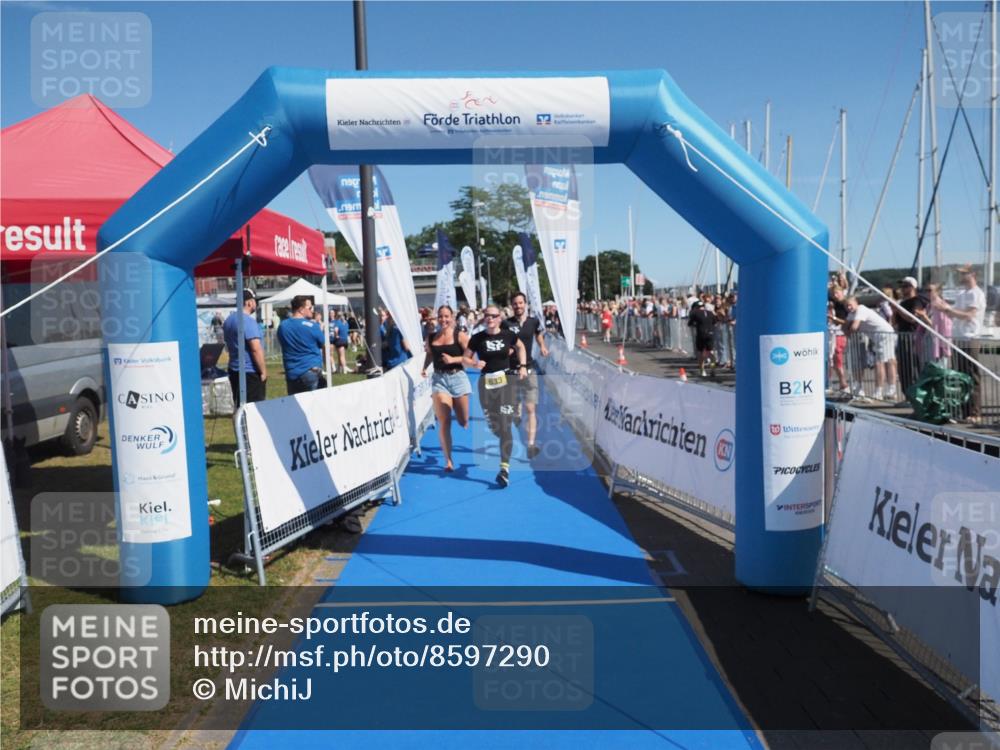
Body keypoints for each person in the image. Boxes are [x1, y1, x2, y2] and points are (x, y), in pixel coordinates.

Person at [463, 304, 527, 488]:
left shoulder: (508, 335)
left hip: (506, 381)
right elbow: (465, 359)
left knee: (505, 426)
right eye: (487, 316)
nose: (490, 319)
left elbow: (521, 347)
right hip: (486, 384)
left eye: (493, 316)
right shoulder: (477, 338)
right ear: (484, 319)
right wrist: (474, 363)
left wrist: (522, 366)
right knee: (495, 427)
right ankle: (501, 431)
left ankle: (504, 469)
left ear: (499, 318)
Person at [421, 305, 472, 471]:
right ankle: (448, 460)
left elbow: (471, 357)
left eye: (446, 316)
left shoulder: (461, 336)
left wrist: (454, 359)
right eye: (440, 316)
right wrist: (424, 367)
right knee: (444, 421)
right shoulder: (431, 337)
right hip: (439, 380)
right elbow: (430, 354)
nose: (443, 320)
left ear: (453, 317)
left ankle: (462, 418)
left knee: (463, 419)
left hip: (458, 378)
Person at [504, 292, 549, 458]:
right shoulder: (506, 323)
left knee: (531, 408)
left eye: (521, 303)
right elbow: (503, 341)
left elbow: (538, 334)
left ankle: (531, 445)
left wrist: (542, 346)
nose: (518, 306)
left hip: (529, 369)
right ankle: (516, 414)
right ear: (511, 306)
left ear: (526, 304)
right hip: (511, 371)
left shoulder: (533, 322)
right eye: (515, 304)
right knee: (514, 409)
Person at [941, 264, 986, 422]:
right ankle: (964, 410)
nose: (961, 276)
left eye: (964, 273)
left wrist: (949, 310)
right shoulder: (962, 293)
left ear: (973, 274)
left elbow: (969, 315)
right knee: (960, 376)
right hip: (959, 337)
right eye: (960, 273)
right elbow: (954, 313)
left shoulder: (976, 294)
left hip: (970, 337)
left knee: (971, 375)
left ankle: (975, 412)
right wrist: (944, 308)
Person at [844, 296, 898, 401]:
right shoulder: (852, 314)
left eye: (850, 304)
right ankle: (890, 389)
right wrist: (847, 328)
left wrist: (848, 331)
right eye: (846, 306)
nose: (849, 307)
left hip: (884, 334)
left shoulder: (861, 309)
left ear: (856, 303)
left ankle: (879, 391)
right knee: (888, 361)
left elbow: (854, 327)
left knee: (880, 362)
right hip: (879, 336)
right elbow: (845, 326)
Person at [222, 289, 267, 408]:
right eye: (255, 301)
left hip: (234, 369)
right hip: (250, 372)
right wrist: (263, 371)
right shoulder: (248, 321)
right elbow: (255, 349)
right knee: (254, 410)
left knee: (240, 407)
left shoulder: (229, 320)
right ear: (249, 302)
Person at [276, 295, 327, 394]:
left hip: (292, 373)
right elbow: (323, 344)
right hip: (311, 371)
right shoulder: (313, 326)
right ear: (301, 309)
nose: (312, 310)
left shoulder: (282, 326)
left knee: (295, 407)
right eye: (310, 308)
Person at [894, 276, 928, 394]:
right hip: (902, 336)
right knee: (904, 368)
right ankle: (907, 394)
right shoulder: (902, 302)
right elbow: (895, 322)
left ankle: (915, 394)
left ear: (913, 287)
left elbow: (912, 319)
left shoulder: (917, 301)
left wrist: (898, 310)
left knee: (913, 366)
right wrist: (895, 311)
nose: (902, 289)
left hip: (912, 336)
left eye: (906, 286)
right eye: (902, 286)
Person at [687, 300, 717, 378]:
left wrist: (696, 324)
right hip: (710, 334)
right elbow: (715, 321)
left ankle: (702, 370)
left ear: (696, 307)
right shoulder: (710, 313)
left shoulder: (695, 313)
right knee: (710, 352)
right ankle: (713, 368)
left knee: (700, 353)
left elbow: (690, 323)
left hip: (701, 334)